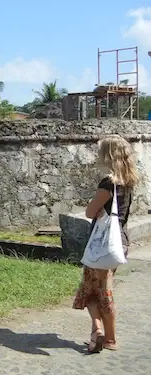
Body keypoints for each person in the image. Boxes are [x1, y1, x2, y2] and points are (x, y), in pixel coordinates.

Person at [72, 135, 140, 353]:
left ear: (109, 155)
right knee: (95, 289)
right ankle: (98, 330)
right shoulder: (129, 180)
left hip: (102, 243)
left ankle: (106, 336)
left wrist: (95, 208)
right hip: (119, 240)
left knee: (99, 291)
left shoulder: (108, 182)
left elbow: (90, 211)